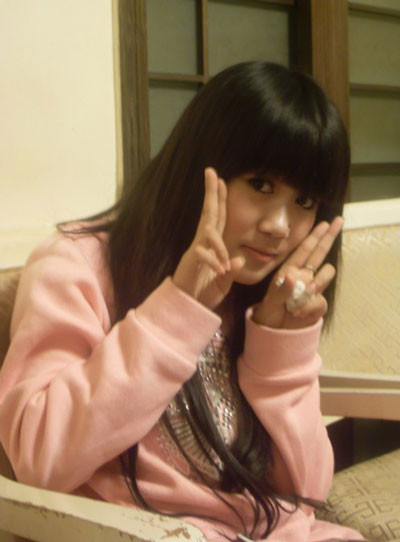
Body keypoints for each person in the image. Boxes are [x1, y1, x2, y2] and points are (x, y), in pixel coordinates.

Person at [0, 62, 364, 541]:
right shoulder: (77, 266)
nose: (280, 226)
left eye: (305, 202)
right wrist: (177, 309)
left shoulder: (261, 291)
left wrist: (281, 348)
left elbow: (307, 492)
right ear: (200, 168)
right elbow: (39, 459)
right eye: (261, 185)